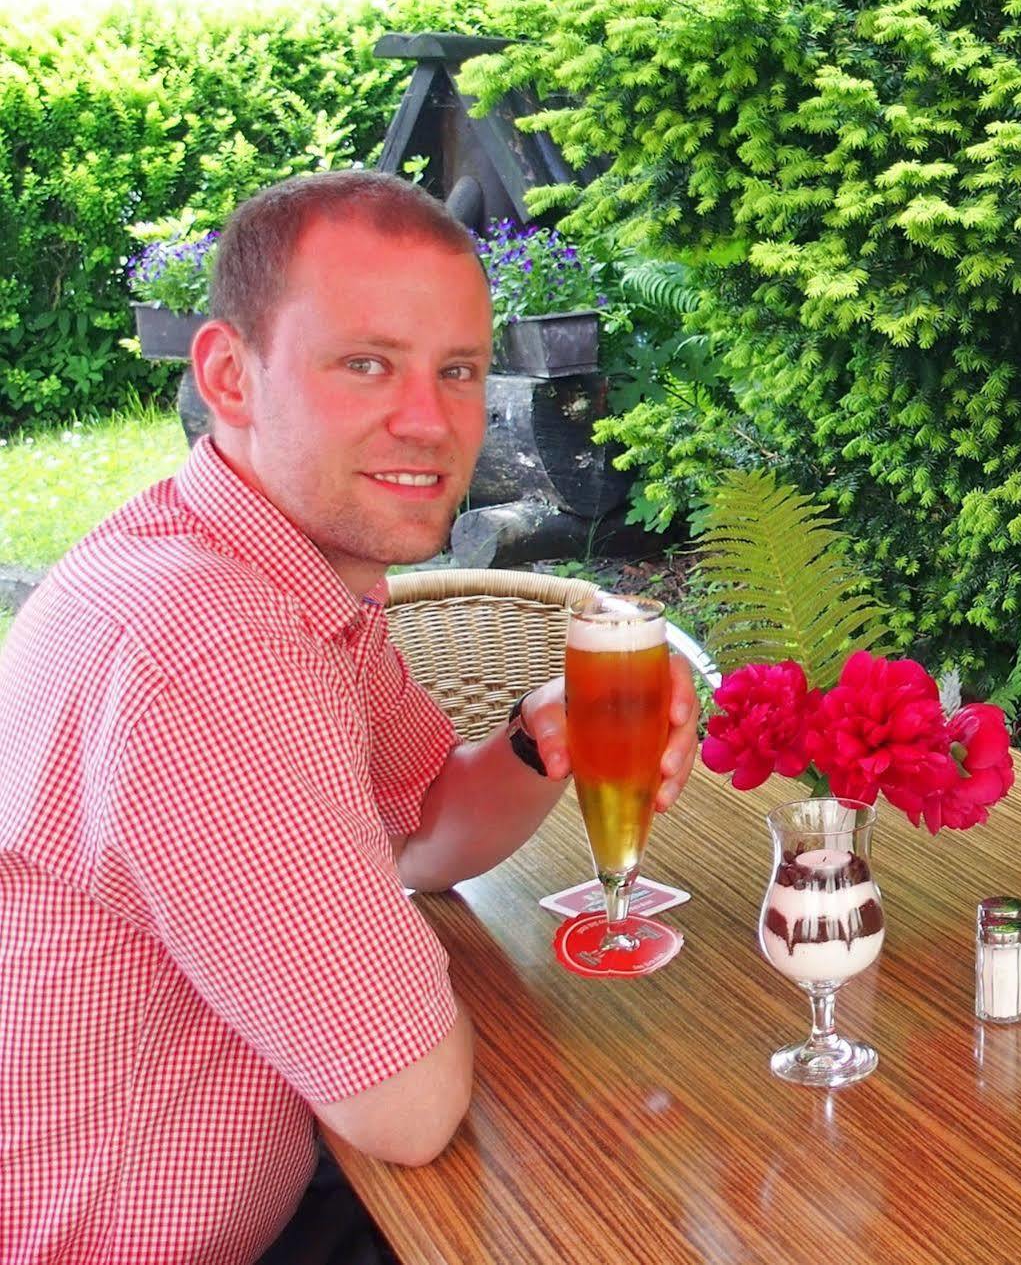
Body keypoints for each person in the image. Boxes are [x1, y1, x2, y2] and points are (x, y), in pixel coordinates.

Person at [0, 171, 699, 1263]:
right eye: (366, 361)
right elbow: (406, 1107)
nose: (428, 420)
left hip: (283, 1177)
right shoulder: (216, 643)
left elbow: (422, 828)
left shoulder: (286, 571)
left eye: (457, 369)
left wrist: (541, 733)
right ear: (229, 374)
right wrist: (374, 970)